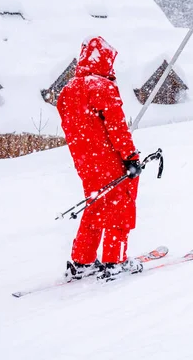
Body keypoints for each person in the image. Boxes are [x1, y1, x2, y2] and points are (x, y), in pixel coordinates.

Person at [57, 36, 142, 281]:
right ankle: (115, 262)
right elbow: (117, 127)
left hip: (85, 163)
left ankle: (81, 261)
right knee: (120, 208)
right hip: (110, 161)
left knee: (95, 206)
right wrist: (130, 157)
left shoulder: (66, 92)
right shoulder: (101, 87)